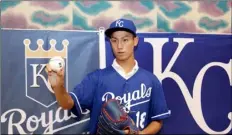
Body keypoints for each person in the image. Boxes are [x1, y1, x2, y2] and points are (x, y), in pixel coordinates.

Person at [46, 18, 171, 134]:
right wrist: (59, 87)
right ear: (110, 42)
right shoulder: (97, 78)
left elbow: (158, 121)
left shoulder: (151, 80)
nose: (119, 46)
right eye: (114, 40)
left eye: (125, 40)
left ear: (135, 41)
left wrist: (140, 134)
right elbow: (68, 103)